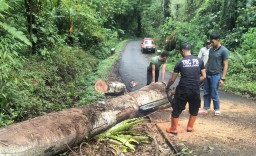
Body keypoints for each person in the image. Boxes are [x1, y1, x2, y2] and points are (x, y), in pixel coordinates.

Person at [165, 43, 206, 135]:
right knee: (194, 108)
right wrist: (195, 82)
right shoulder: (199, 61)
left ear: (182, 51)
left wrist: (167, 87)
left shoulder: (180, 62)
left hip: (182, 89)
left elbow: (172, 79)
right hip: (195, 89)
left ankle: (173, 129)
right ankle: (190, 127)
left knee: (177, 108)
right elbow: (204, 76)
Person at [199, 32, 229, 116]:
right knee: (206, 92)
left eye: (213, 41)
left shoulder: (224, 50)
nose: (211, 43)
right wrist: (203, 70)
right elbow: (208, 61)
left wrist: (223, 78)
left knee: (214, 92)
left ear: (218, 40)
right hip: (208, 73)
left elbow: (225, 64)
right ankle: (206, 108)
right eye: (211, 41)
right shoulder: (211, 49)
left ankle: (217, 109)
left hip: (216, 75)